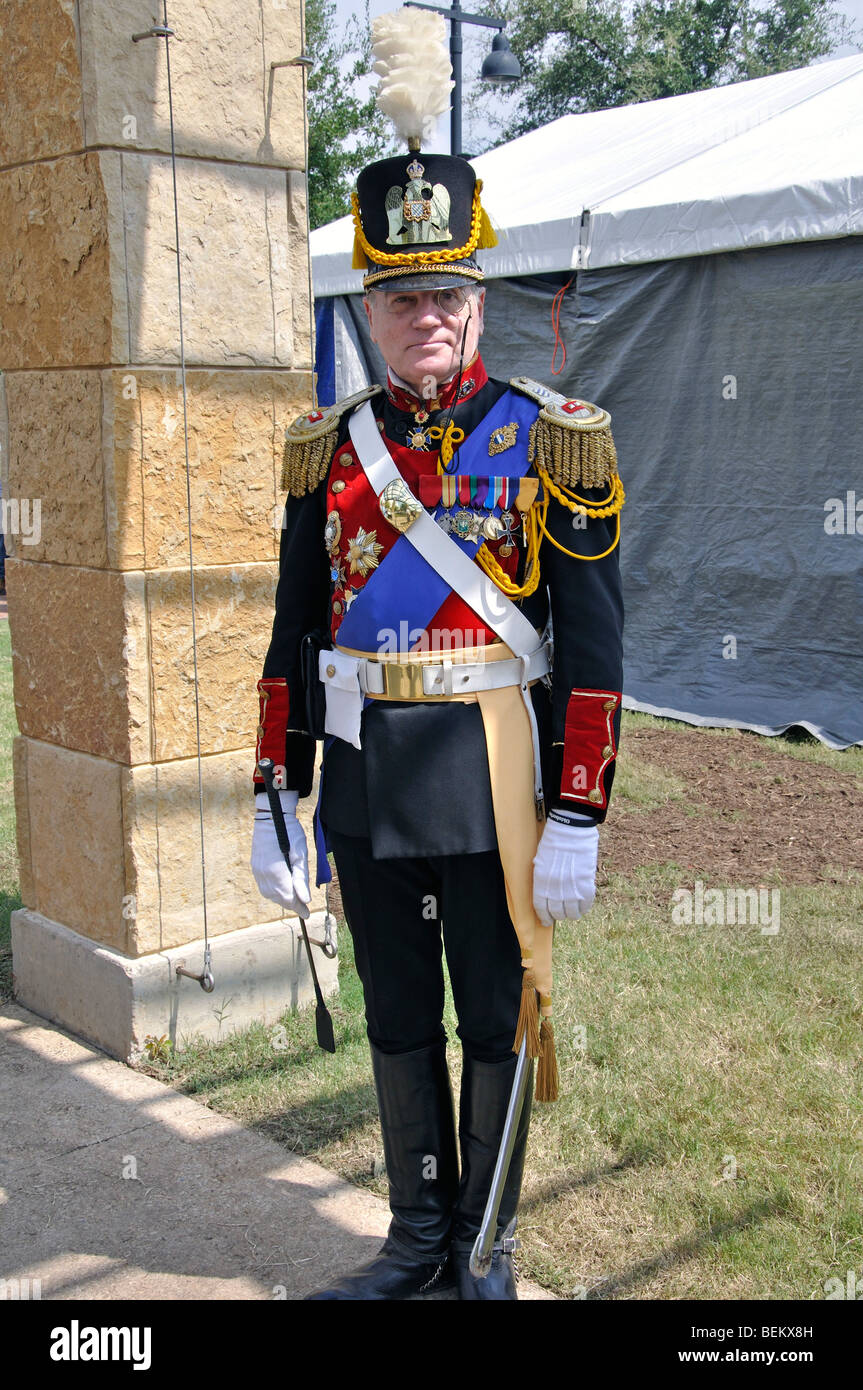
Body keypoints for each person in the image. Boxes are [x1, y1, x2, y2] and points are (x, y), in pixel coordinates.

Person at [250, 145, 624, 1300]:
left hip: (494, 778)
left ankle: (482, 1252)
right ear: (368, 309)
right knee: (399, 1009)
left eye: (444, 296)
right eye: (400, 297)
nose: (424, 317)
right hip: (366, 775)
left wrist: (576, 808)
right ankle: (415, 1239)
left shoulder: (551, 433)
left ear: (476, 303)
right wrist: (275, 790)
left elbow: (594, 638)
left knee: (497, 1013)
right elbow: (292, 629)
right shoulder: (330, 447)